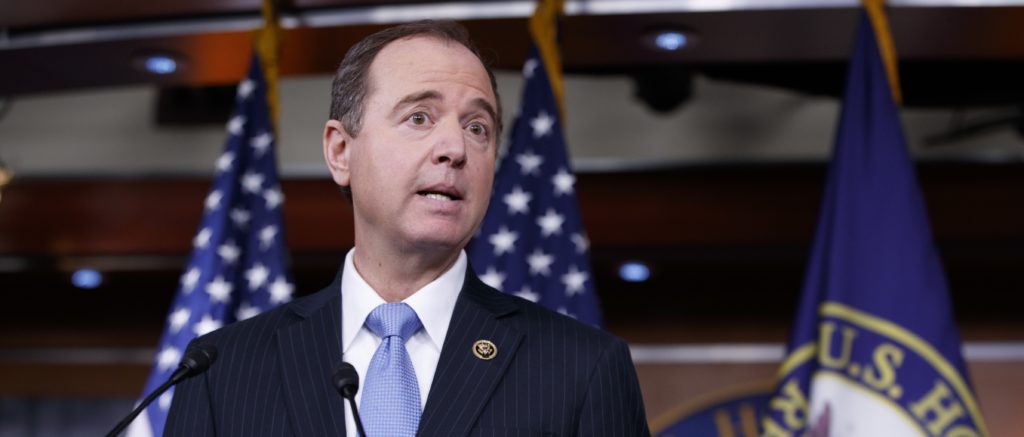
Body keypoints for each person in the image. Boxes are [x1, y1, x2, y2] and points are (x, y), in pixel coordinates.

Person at [165, 20, 650, 437]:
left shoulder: (583, 369)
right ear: (340, 151)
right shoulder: (219, 370)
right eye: (420, 116)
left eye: (478, 127)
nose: (455, 148)